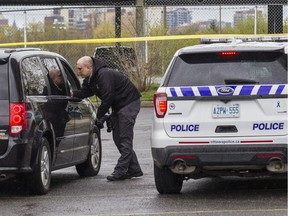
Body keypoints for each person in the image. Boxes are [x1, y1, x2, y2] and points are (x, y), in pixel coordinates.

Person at [73, 56, 143, 181]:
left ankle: (120, 170)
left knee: (124, 138)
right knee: (118, 138)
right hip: (119, 106)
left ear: (89, 68)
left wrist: (98, 117)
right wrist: (71, 95)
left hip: (129, 103)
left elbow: (107, 98)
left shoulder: (104, 75)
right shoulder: (90, 79)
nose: (78, 71)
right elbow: (84, 93)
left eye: (80, 69)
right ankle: (134, 169)